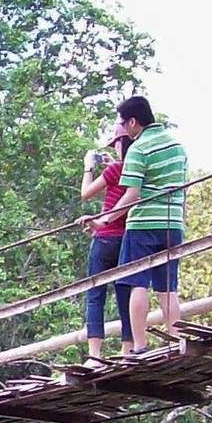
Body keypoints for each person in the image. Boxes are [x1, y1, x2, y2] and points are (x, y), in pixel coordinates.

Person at [86, 95, 186, 355]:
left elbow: (131, 194)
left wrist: (104, 220)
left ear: (133, 121)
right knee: (168, 287)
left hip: (142, 224)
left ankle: (139, 346)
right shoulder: (177, 147)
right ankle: (175, 340)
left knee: (137, 283)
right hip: (173, 223)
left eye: (124, 122)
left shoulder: (139, 149)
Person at [78, 128, 137, 361]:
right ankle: (128, 349)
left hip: (105, 237)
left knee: (95, 295)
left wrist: (88, 167)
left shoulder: (115, 170)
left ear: (122, 144)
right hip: (128, 238)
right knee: (125, 292)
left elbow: (85, 193)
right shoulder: (138, 171)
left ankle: (94, 355)